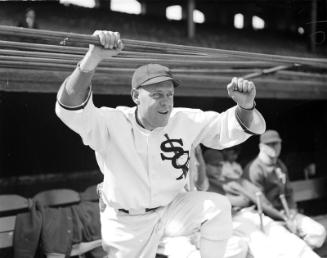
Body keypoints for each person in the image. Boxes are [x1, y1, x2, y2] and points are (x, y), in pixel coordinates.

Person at [55, 30, 266, 258]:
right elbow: (71, 109)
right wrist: (93, 57)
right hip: (127, 222)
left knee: (217, 207)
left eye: (169, 94)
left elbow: (227, 129)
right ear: (136, 96)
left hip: (171, 211)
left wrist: (246, 107)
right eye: (157, 95)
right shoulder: (111, 122)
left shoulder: (183, 119)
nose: (166, 102)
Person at [204, 148, 321, 258]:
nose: (219, 168)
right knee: (263, 246)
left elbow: (257, 197)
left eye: (221, 165)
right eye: (215, 165)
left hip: (255, 214)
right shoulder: (202, 186)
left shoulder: (231, 180)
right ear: (204, 165)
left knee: (288, 239)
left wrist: (282, 216)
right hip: (233, 220)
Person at [244, 129, 326, 249]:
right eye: (269, 144)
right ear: (261, 146)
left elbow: (289, 192)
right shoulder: (254, 169)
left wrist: (292, 211)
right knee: (286, 246)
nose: (274, 147)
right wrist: (284, 219)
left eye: (276, 143)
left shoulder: (280, 165)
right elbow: (262, 204)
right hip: (266, 219)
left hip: (287, 214)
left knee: (318, 232)